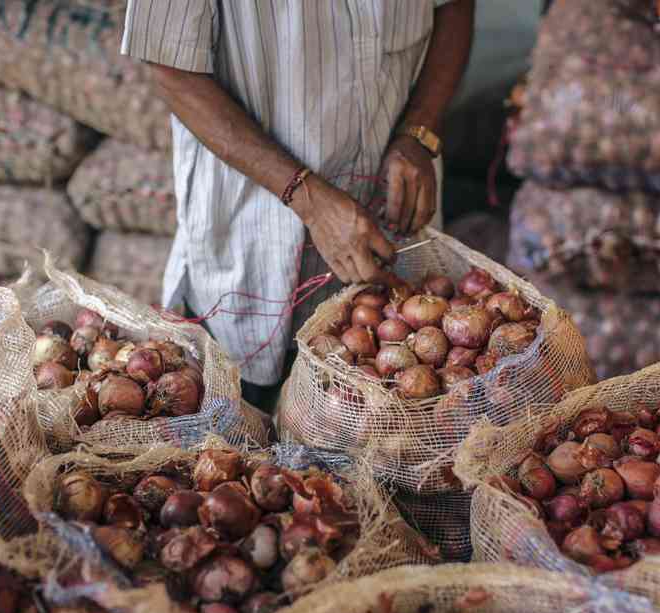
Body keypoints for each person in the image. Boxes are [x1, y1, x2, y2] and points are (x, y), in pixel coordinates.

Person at [122, 1, 475, 409]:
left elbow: (456, 7)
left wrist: (421, 129)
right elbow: (171, 67)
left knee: (395, 428)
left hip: (398, 228)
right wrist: (309, 199)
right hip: (255, 247)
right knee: (245, 439)